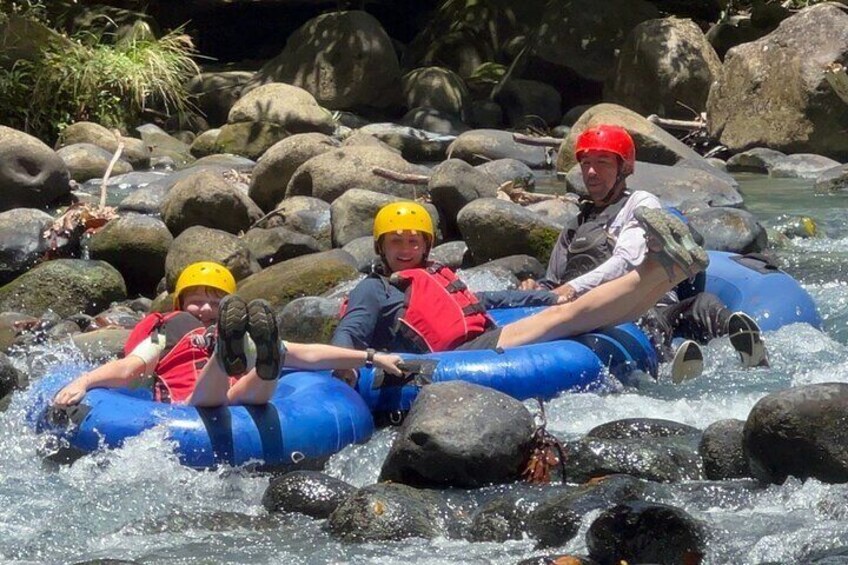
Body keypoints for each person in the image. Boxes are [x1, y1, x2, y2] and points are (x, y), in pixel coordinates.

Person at [331, 200, 712, 385]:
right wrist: (344, 366)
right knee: (568, 318)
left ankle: (671, 275)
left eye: (413, 241)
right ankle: (656, 268)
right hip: (455, 358)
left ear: (427, 246)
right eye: (395, 242)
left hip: (479, 339)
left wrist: (547, 296)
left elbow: (488, 302)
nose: (405, 249)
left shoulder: (431, 276)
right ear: (380, 247)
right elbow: (351, 331)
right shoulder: (376, 289)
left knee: (570, 310)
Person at [519, 124, 768, 381]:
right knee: (643, 322)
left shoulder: (640, 204)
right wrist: (536, 289)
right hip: (591, 312)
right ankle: (672, 364)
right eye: (586, 163)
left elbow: (627, 263)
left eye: (602, 162)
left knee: (702, 304)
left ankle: (749, 352)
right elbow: (552, 283)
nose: (591, 172)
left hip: (646, 302)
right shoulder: (575, 226)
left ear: (624, 168)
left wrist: (571, 288)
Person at [54, 261, 404, 408]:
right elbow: (130, 368)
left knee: (272, 361)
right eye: (196, 302)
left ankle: (267, 358)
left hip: (238, 398)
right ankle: (228, 356)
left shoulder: (238, 331)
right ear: (180, 304)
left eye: (213, 303)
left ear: (226, 309)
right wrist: (84, 382)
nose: (205, 310)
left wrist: (371, 357)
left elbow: (310, 354)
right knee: (232, 387)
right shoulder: (168, 330)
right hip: (190, 406)